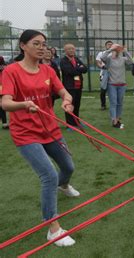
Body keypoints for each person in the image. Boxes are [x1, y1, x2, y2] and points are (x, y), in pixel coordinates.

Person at [1, 29, 80, 247]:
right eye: (36, 43)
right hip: (26, 134)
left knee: (68, 167)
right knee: (48, 175)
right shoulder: (11, 71)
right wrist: (24, 104)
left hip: (50, 129)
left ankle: (64, 187)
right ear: (23, 46)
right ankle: (53, 228)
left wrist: (67, 101)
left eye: (43, 44)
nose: (41, 47)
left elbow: (65, 92)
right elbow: (5, 103)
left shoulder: (48, 70)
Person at [101, 43, 133, 128]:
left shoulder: (123, 59)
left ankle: (118, 119)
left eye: (118, 50)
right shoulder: (109, 59)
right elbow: (102, 58)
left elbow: (131, 61)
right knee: (113, 102)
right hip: (112, 84)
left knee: (120, 103)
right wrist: (110, 49)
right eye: (115, 50)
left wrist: (125, 51)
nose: (117, 51)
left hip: (122, 84)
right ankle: (114, 120)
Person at [59, 43, 87, 129]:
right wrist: (79, 69)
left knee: (77, 105)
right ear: (65, 51)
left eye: (73, 49)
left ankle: (76, 122)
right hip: (69, 86)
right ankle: (70, 125)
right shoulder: (63, 61)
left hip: (78, 86)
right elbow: (69, 71)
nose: (71, 50)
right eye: (69, 49)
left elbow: (85, 69)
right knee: (69, 105)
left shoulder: (77, 59)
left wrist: (77, 69)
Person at [95, 40, 113, 110]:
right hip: (104, 73)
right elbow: (98, 62)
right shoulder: (101, 53)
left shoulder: (114, 53)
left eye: (111, 44)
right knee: (103, 89)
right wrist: (102, 66)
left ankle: (113, 104)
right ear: (105, 46)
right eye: (108, 44)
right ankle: (103, 105)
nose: (110, 46)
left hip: (113, 73)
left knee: (112, 90)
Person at [0, 55, 9, 129]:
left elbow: (4, 67)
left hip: (2, 83)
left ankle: (4, 123)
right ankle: (4, 123)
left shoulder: (1, 58)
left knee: (2, 103)